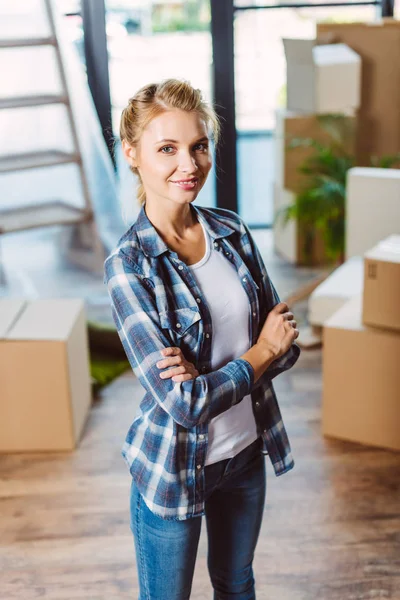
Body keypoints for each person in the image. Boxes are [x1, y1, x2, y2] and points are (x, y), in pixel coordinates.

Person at [103, 78, 300, 600]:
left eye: (198, 145)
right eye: (166, 148)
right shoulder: (129, 268)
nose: (188, 164)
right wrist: (259, 351)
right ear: (132, 154)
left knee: (237, 585)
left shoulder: (232, 230)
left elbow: (289, 344)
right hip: (173, 468)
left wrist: (225, 370)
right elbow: (185, 405)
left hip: (245, 452)